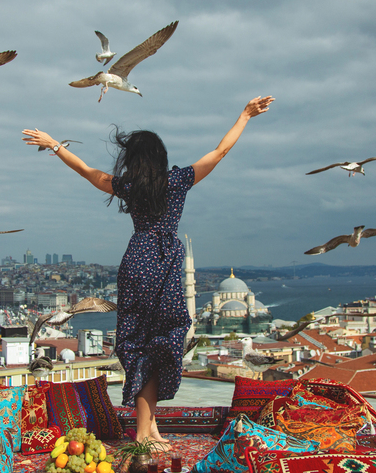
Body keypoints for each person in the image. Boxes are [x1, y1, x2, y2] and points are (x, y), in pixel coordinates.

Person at [22, 96, 274, 445]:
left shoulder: (129, 187)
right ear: (161, 157)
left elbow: (85, 170)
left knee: (141, 341)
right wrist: (245, 115)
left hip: (136, 259)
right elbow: (220, 153)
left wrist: (53, 144)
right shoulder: (178, 182)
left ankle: (149, 424)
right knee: (162, 340)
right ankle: (143, 430)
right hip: (164, 259)